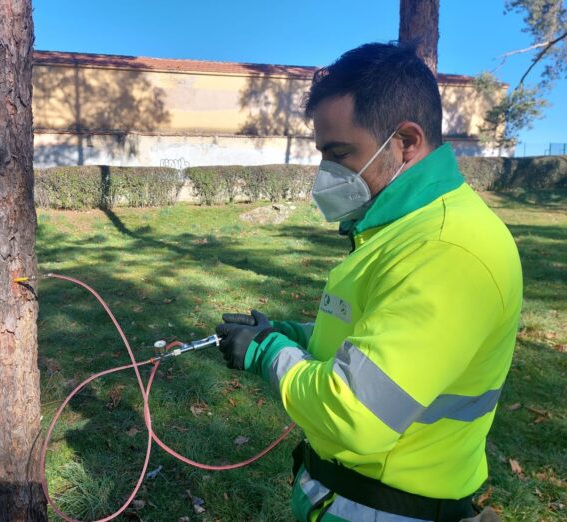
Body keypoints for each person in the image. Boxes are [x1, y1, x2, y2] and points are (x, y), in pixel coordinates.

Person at [214, 42, 523, 522]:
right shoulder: (399, 229)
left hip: (392, 508)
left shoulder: (448, 250)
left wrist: (265, 352)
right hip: (350, 496)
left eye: (340, 154)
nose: (326, 175)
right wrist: (292, 334)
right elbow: (373, 334)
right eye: (323, 156)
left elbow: (357, 413)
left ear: (406, 142)